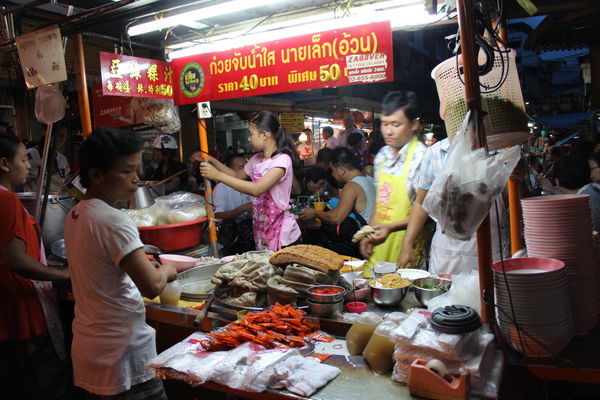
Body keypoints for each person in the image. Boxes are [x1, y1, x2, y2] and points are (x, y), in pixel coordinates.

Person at [64, 128, 177, 399]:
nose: (136, 180)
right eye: (127, 171)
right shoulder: (114, 220)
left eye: (137, 170)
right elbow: (151, 286)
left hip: (90, 351)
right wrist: (167, 271)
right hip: (125, 356)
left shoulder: (77, 213)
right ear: (97, 175)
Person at [0, 134, 71, 399]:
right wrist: (63, 273)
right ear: (4, 164)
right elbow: (15, 260)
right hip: (22, 312)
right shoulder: (5, 200)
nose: (29, 165)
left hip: (9, 312)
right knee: (46, 385)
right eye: (23, 159)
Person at [397, 135, 507, 275]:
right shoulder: (435, 152)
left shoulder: (501, 151)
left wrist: (519, 178)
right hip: (447, 253)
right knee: (444, 294)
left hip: (490, 248)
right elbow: (421, 203)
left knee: (488, 295)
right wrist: (407, 242)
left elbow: (509, 202)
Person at [195, 111, 301, 251]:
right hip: (262, 228)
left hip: (282, 234)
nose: (249, 139)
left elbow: (256, 189)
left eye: (251, 134)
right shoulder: (256, 159)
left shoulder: (282, 160)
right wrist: (212, 161)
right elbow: (237, 176)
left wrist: (218, 176)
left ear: (264, 135)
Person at [359, 91, 427, 269]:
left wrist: (390, 228)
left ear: (414, 125)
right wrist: (368, 232)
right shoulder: (382, 156)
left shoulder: (422, 158)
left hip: (406, 247)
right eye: (385, 124)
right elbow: (380, 201)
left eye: (396, 124)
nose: (388, 131)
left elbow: (426, 212)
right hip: (379, 247)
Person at [298, 147, 375, 257]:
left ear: (341, 170)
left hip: (363, 245)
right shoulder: (368, 179)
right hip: (371, 239)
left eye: (333, 170)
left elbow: (336, 218)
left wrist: (314, 213)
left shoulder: (352, 186)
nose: (333, 175)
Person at [540, 154, 599, 232]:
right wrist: (551, 188)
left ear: (557, 181)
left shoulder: (585, 200)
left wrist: (551, 188)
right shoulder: (592, 190)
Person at [212, 154, 254, 254]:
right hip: (228, 237)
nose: (245, 171)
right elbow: (217, 215)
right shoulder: (221, 188)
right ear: (229, 170)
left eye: (246, 166)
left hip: (245, 232)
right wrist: (243, 208)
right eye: (241, 167)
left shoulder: (249, 186)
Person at [25, 125, 71, 193]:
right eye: (54, 134)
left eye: (62, 136)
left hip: (56, 200)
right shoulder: (31, 154)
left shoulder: (63, 159)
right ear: (45, 132)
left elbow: (65, 181)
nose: (57, 139)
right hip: (33, 201)